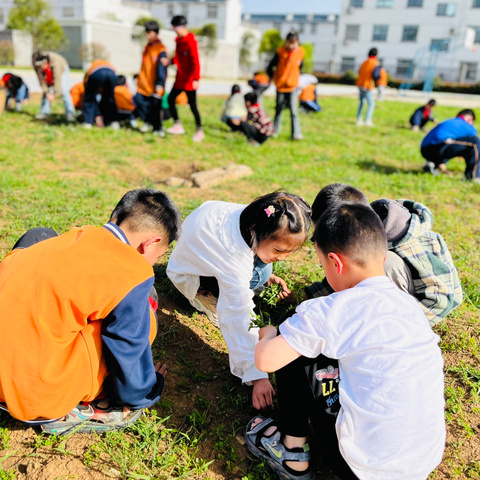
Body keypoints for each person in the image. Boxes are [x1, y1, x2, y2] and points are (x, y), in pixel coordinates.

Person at [246, 202, 445, 480]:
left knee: (287, 337)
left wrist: (268, 333)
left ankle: (293, 455)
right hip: (420, 463)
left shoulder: (330, 309)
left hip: (362, 466)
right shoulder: (409, 306)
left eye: (322, 264)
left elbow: (265, 358)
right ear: (383, 256)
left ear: (335, 263)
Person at [0, 189, 181, 435]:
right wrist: (145, 390)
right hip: (31, 393)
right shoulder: (133, 271)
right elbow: (128, 344)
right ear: (150, 243)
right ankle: (72, 409)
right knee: (146, 317)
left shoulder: (69, 238)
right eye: (157, 256)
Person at [166, 192, 311, 410]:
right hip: (190, 274)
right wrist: (256, 374)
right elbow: (238, 316)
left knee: (263, 271)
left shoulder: (255, 216)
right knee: (258, 274)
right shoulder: (234, 259)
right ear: (257, 230)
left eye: (289, 252)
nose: (282, 257)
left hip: (203, 249)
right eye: (279, 250)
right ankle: (205, 294)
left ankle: (253, 275)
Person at [306, 183, 462, 326]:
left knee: (385, 266)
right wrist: (310, 294)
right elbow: (346, 272)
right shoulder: (361, 230)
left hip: (428, 302)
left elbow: (439, 300)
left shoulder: (405, 241)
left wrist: (403, 326)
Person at [164, 15, 204, 142]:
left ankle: (199, 130)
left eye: (178, 27)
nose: (176, 30)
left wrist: (196, 79)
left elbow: (195, 61)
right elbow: (177, 58)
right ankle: (177, 124)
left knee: (192, 105)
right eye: (174, 28)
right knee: (170, 99)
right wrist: (169, 61)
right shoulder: (178, 41)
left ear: (184, 26)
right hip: (180, 78)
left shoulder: (191, 41)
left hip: (189, 80)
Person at [421, 108, 480, 181]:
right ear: (470, 119)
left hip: (425, 149)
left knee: (455, 142)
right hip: (439, 146)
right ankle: (473, 177)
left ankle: (432, 163)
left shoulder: (448, 121)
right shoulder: (464, 124)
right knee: (475, 142)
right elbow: (475, 137)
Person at [267, 31, 305, 140]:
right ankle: (275, 131)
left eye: (294, 42)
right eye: (290, 42)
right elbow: (270, 67)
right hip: (281, 85)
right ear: (286, 42)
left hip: (292, 85)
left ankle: (296, 133)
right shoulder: (280, 52)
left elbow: (300, 67)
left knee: (294, 111)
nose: (292, 45)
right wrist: (273, 77)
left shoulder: (300, 52)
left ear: (298, 42)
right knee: (278, 109)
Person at [134, 20, 167, 137]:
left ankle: (158, 128)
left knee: (156, 107)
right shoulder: (148, 47)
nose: (147, 35)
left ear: (156, 33)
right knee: (138, 100)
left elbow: (161, 68)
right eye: (146, 32)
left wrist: (160, 83)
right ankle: (148, 122)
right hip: (144, 83)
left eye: (149, 32)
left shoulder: (161, 49)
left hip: (155, 84)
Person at [32, 51, 75, 122]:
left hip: (62, 67)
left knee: (63, 90)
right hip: (50, 70)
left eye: (42, 66)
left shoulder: (55, 63)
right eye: (39, 67)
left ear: (46, 62)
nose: (41, 68)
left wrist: (54, 94)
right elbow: (41, 81)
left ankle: (70, 113)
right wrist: (47, 92)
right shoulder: (37, 65)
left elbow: (57, 80)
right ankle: (44, 112)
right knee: (46, 93)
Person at [83, 60, 118, 129]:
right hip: (112, 74)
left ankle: (88, 122)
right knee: (110, 98)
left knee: (89, 98)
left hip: (97, 73)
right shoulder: (107, 63)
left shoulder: (91, 68)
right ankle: (113, 122)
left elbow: (89, 92)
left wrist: (97, 115)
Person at [355, 47, 380, 127]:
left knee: (362, 103)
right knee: (371, 104)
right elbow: (376, 75)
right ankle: (368, 120)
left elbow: (359, 72)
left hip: (360, 84)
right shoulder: (375, 63)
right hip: (367, 85)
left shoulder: (365, 62)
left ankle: (359, 119)